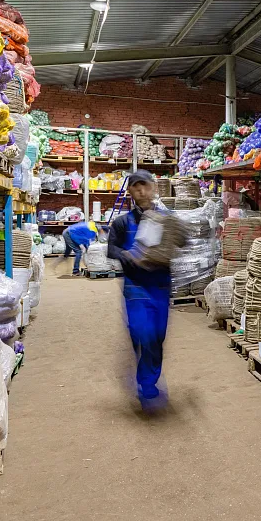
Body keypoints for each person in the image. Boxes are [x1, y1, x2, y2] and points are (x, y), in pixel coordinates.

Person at [107, 170, 171, 411]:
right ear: (130, 191)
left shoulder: (166, 220)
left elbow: (179, 242)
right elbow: (111, 249)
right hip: (135, 288)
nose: (141, 191)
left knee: (156, 338)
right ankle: (146, 378)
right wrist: (127, 255)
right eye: (136, 187)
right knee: (142, 333)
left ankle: (148, 381)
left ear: (154, 188)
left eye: (145, 185)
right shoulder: (122, 222)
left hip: (160, 287)